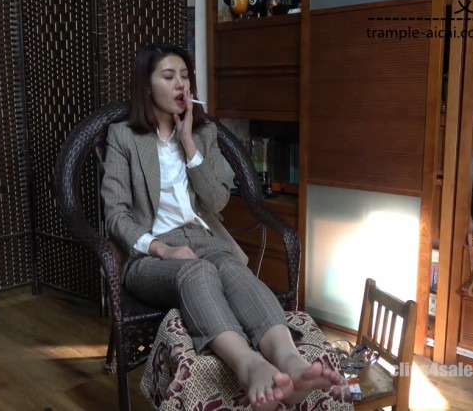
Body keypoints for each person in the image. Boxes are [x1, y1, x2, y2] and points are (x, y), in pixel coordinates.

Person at [100, 43, 343, 410]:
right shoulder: (123, 137)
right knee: (196, 270)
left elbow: (216, 201)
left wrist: (188, 144)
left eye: (185, 77)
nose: (181, 85)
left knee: (230, 266)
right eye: (169, 77)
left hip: (204, 237)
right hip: (150, 253)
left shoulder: (203, 133)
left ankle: (291, 363)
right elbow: (116, 215)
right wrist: (163, 250)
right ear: (146, 86)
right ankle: (249, 366)